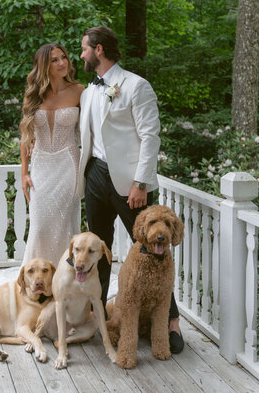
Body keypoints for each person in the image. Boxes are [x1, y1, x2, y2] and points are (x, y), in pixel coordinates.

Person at [78, 26, 184, 354]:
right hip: (94, 174)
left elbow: (150, 136)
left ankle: (171, 323)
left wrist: (140, 183)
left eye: (84, 48)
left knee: (153, 252)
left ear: (99, 50)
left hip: (130, 185)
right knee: (99, 248)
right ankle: (100, 319)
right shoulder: (87, 92)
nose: (81, 54)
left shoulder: (137, 86)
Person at [20, 43, 84, 267]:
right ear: (44, 66)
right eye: (55, 60)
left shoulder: (79, 91)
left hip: (68, 164)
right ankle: (37, 278)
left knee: (64, 224)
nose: (62, 63)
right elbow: (25, 136)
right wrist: (24, 173)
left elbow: (89, 132)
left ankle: (65, 277)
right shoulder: (33, 95)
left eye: (63, 57)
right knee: (38, 226)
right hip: (40, 166)